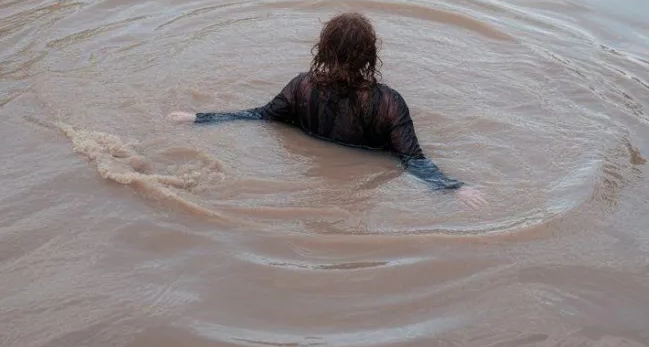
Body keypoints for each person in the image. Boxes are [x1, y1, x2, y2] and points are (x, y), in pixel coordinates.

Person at [168, 12, 487, 209]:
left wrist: (198, 118)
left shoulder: (301, 87)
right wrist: (453, 188)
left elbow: (259, 116)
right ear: (370, 56)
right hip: (360, 192)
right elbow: (413, 159)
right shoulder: (388, 103)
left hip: (308, 181)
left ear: (323, 49)